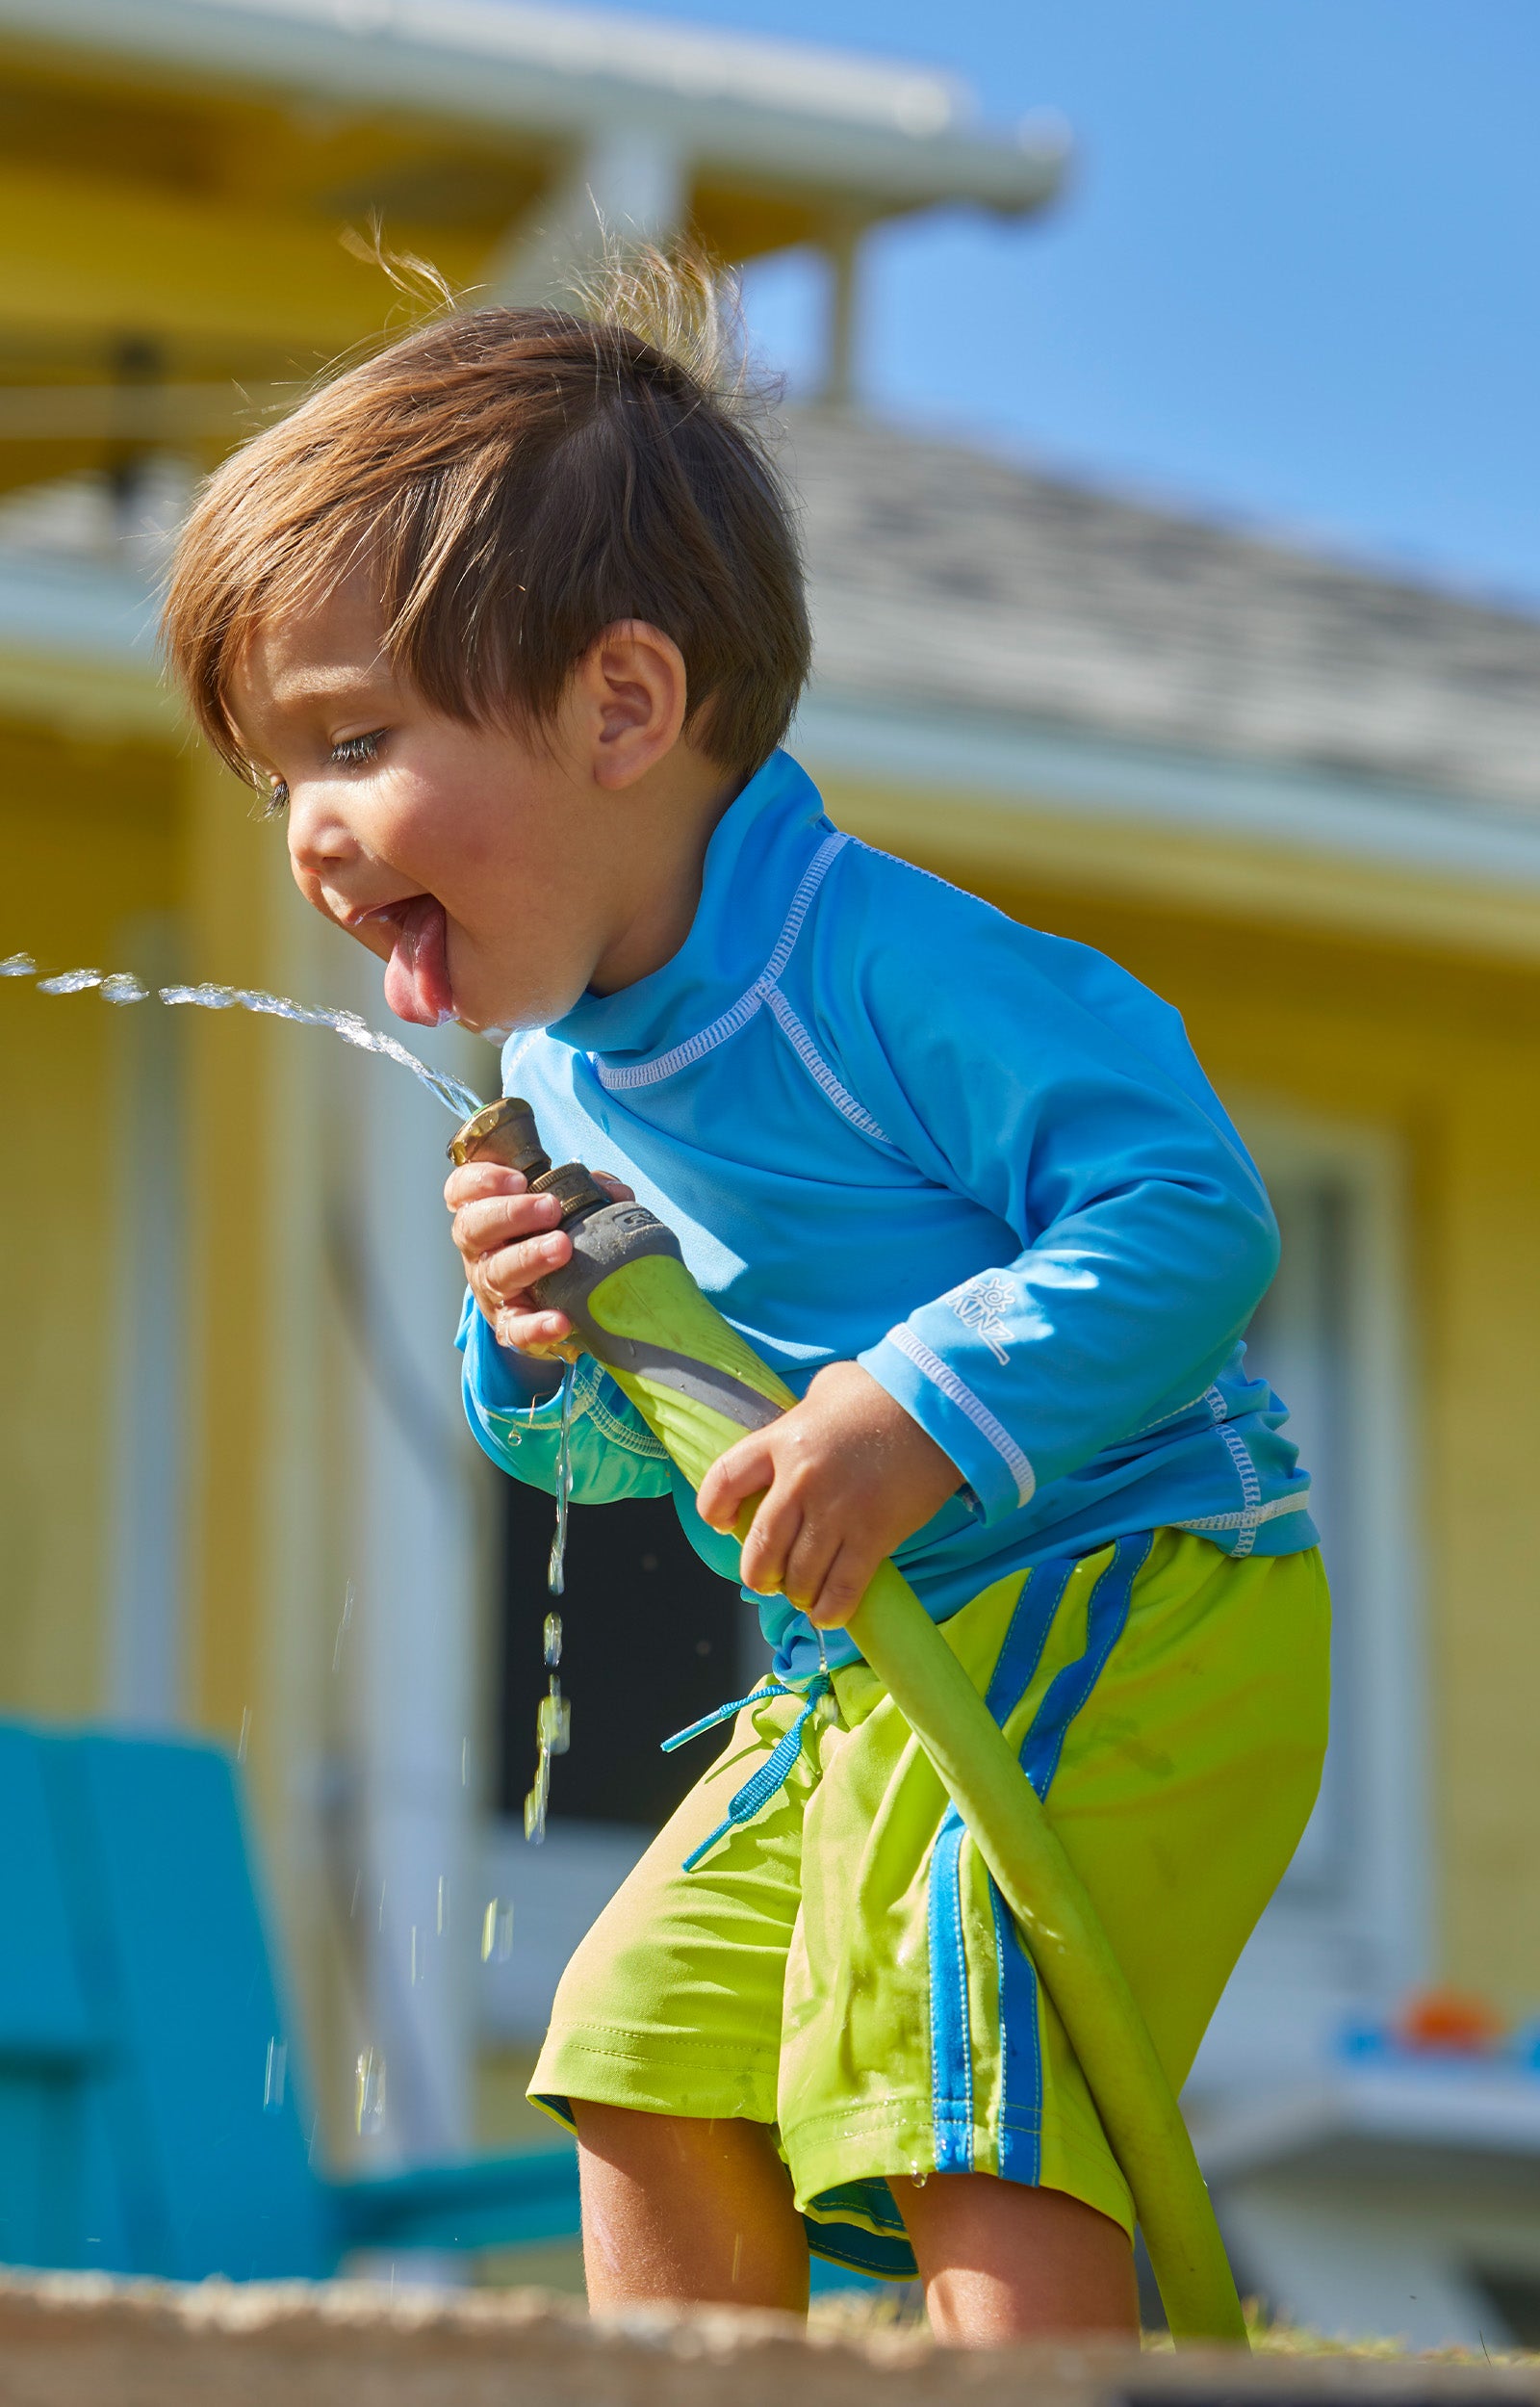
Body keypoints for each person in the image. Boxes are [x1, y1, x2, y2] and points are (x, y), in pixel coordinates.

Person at [162, 253, 1329, 2346]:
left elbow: (1184, 1209)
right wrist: (532, 1342)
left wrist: (897, 1416)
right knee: (637, 2048)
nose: (316, 836)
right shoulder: (563, 1069)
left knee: (951, 2058)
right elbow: (643, 1442)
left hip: (1131, 1575)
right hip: (876, 1647)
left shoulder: (878, 965)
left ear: (622, 706)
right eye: (277, 781)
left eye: (354, 741)